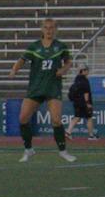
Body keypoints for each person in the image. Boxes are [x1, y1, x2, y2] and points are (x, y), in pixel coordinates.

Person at [10, 17, 77, 163]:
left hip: (53, 87)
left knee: (56, 120)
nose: (49, 30)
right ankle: (28, 149)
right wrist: (14, 69)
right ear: (42, 29)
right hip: (35, 87)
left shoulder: (61, 46)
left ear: (56, 29)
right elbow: (22, 59)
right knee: (23, 118)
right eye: (46, 27)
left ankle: (63, 151)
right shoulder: (34, 46)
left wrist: (64, 69)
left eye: (52, 27)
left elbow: (69, 61)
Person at [65, 63, 98, 141]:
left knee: (77, 117)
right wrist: (88, 103)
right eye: (86, 70)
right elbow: (86, 93)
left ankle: (68, 132)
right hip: (83, 103)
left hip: (76, 102)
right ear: (82, 71)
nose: (88, 71)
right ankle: (91, 136)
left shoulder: (76, 79)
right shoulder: (84, 80)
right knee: (89, 118)